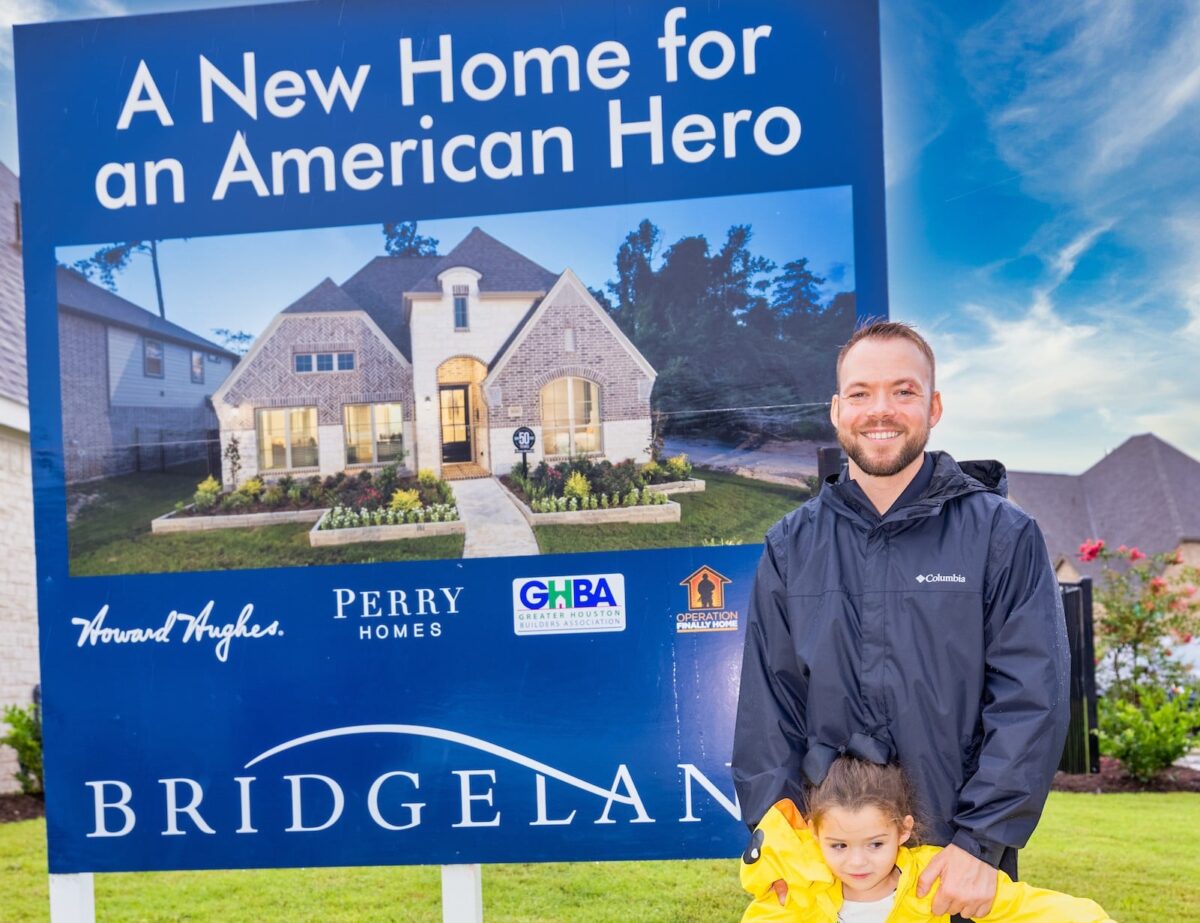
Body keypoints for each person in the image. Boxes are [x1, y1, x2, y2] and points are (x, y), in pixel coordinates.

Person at [731, 321, 1070, 921]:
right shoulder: (791, 544)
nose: (879, 410)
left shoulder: (1002, 534)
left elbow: (1031, 699)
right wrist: (780, 837)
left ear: (933, 407)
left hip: (954, 867)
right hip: (828, 870)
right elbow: (769, 705)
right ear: (837, 410)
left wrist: (981, 842)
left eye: (903, 391)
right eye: (860, 393)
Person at [739, 756, 1114, 922]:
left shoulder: (930, 877)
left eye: (875, 844)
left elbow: (1023, 908)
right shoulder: (799, 890)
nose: (857, 862)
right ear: (815, 833)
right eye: (839, 845)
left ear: (903, 830)